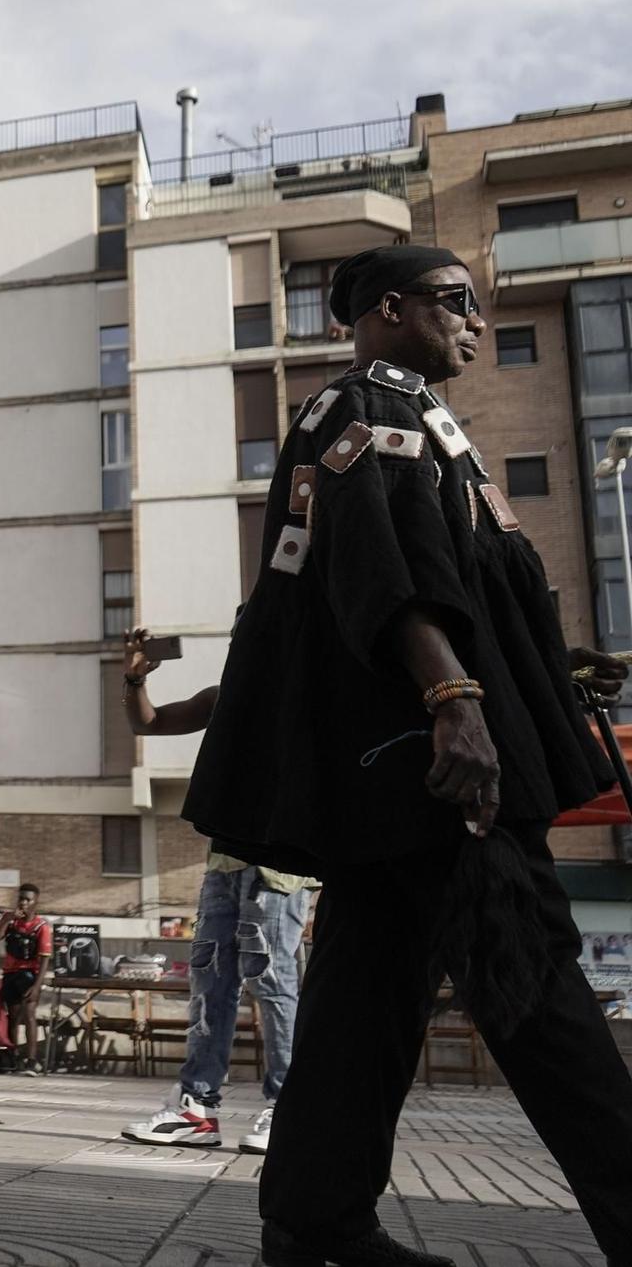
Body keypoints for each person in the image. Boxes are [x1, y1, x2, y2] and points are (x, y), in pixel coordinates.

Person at [184, 245, 632, 1266]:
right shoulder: (369, 409)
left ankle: (314, 1224)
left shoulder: (409, 419)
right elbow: (374, 564)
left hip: (396, 776)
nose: (475, 322)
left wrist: (537, 668)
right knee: (535, 988)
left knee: (360, 1002)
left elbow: (440, 577)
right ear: (388, 309)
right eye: (455, 303)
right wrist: (453, 697)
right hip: (434, 771)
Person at [116, 628, 309, 1155]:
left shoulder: (309, 688)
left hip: (280, 863)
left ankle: (290, 1109)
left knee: (272, 982)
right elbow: (149, 723)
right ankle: (196, 1109)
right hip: (225, 858)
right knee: (211, 984)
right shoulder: (226, 695)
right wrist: (135, 676)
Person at [0, 883, 52, 1075]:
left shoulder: (41, 926)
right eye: (21, 898)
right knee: (13, 1017)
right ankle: (14, 1058)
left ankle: (32, 1060)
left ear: (35, 902)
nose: (23, 903)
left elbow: (45, 959)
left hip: (29, 975)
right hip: (10, 974)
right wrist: (5, 921)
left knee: (29, 1016)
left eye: (28, 900)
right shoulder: (11, 921)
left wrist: (37, 985)